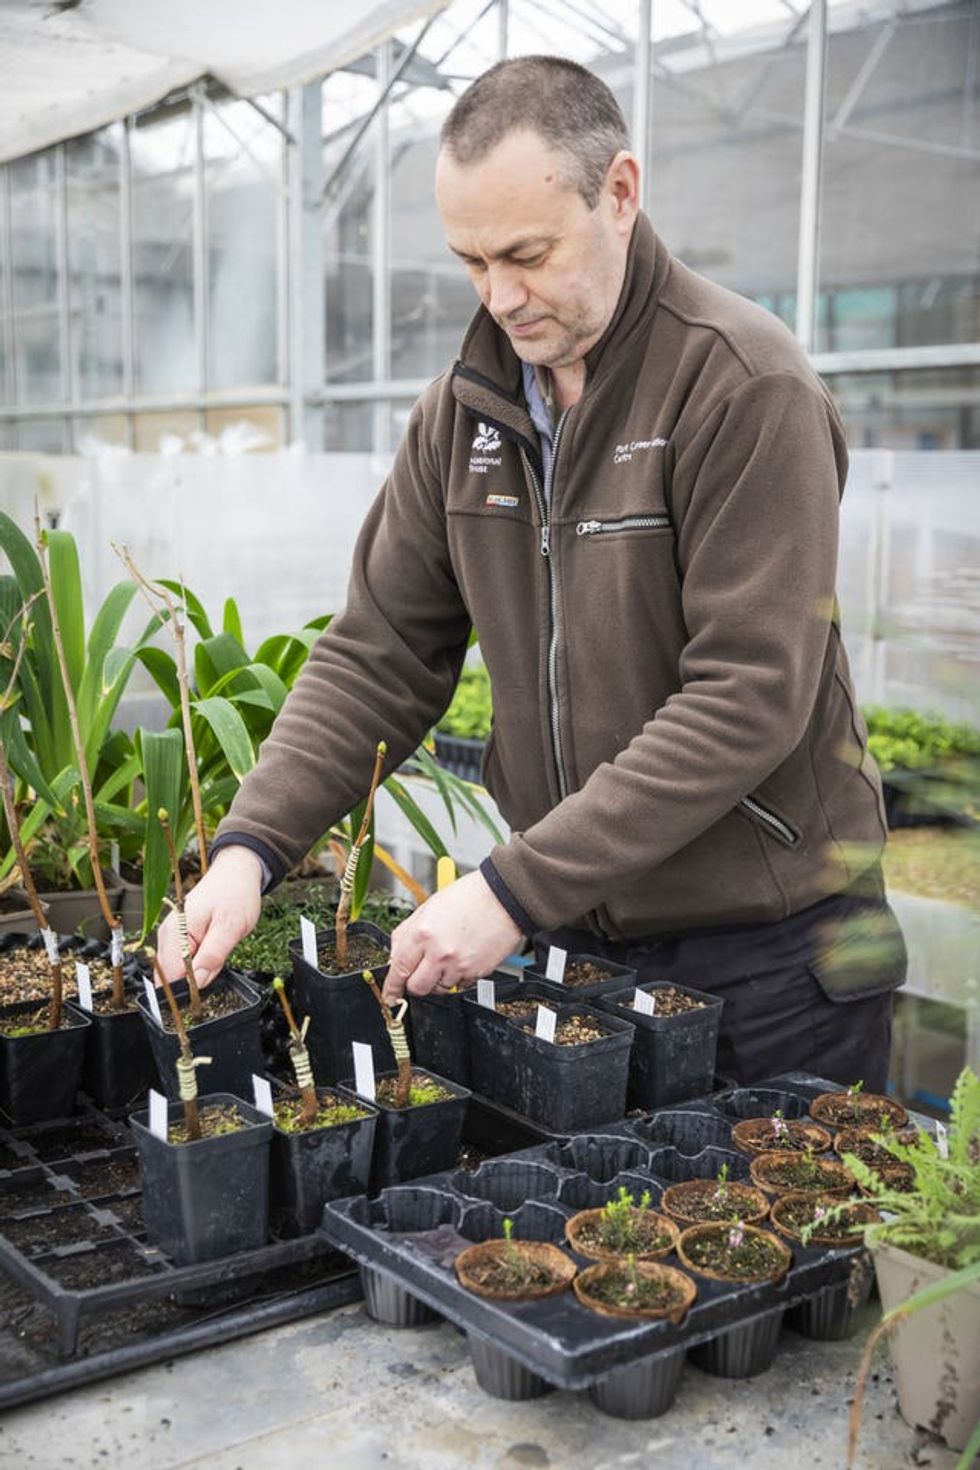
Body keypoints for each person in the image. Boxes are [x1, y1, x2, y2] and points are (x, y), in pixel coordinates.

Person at [158, 56, 906, 1090]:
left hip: (770, 958)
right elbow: (379, 654)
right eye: (469, 260)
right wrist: (247, 851)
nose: (500, 297)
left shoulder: (740, 388)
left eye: (528, 252)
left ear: (620, 193)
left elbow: (747, 697)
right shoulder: (463, 413)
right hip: (583, 938)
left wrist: (507, 890)